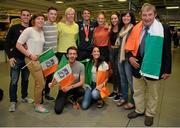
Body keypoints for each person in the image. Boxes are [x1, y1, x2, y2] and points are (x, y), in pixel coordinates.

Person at [125, 3, 172, 126]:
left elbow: (167, 51)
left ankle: (150, 114)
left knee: (153, 93)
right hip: (137, 64)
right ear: (141, 15)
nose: (147, 18)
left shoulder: (163, 29)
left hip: (153, 66)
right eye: (144, 15)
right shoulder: (136, 28)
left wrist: (167, 70)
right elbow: (130, 46)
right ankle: (139, 110)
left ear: (155, 14)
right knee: (138, 90)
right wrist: (130, 58)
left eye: (150, 14)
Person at [16, 13, 49, 113]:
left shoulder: (41, 31)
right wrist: (30, 55)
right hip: (31, 59)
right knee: (41, 83)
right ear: (33, 20)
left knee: (38, 83)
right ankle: (37, 105)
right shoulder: (29, 30)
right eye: (38, 19)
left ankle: (37, 102)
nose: (41, 21)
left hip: (40, 59)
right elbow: (18, 45)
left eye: (42, 19)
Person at [5, 9, 33, 112]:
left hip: (27, 59)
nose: (26, 17)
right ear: (20, 16)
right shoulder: (14, 28)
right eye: (24, 15)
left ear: (30, 16)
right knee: (14, 81)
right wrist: (10, 57)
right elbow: (6, 43)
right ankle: (13, 101)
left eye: (27, 15)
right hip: (16, 59)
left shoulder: (32, 29)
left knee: (25, 80)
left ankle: (24, 97)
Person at [49, 46, 85, 114]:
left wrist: (70, 87)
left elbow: (81, 82)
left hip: (74, 88)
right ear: (67, 55)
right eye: (70, 54)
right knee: (58, 110)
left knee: (82, 91)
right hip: (63, 89)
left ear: (76, 55)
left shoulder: (81, 66)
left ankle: (74, 98)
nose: (72, 56)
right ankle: (67, 97)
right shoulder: (62, 65)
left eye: (74, 54)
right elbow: (57, 78)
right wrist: (52, 84)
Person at [116, 11, 136, 110]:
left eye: (128, 16)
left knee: (130, 81)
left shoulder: (133, 28)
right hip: (120, 56)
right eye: (124, 16)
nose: (126, 18)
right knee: (123, 80)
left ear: (131, 18)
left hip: (128, 58)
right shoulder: (122, 28)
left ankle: (132, 101)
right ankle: (124, 97)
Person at [42, 7, 58, 101]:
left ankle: (47, 93)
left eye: (55, 14)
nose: (53, 16)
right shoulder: (42, 25)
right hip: (44, 56)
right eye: (51, 13)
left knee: (49, 77)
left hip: (53, 55)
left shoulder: (56, 25)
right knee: (42, 78)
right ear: (47, 14)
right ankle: (40, 96)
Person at [108, 11, 121, 101]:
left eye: (115, 18)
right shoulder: (110, 29)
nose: (113, 20)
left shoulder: (122, 28)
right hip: (111, 51)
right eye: (112, 18)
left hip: (119, 51)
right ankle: (115, 90)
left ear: (118, 19)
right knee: (114, 73)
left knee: (119, 72)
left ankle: (120, 92)